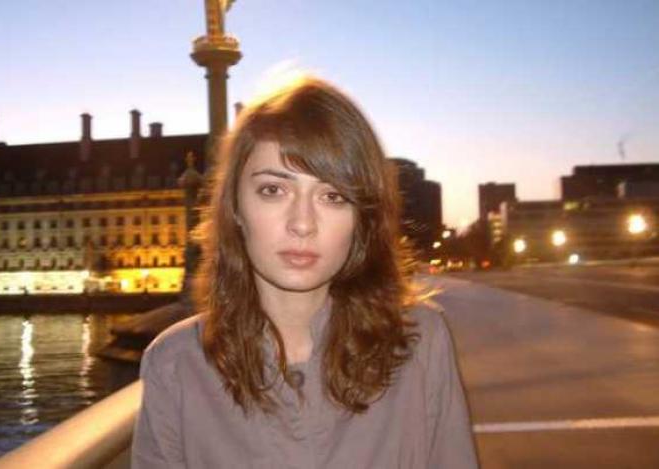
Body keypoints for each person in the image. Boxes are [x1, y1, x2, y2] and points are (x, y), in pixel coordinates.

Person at [132, 76, 478, 468]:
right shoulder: (175, 364)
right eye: (273, 190)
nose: (302, 223)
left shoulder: (420, 342)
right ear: (235, 208)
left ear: (361, 219)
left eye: (332, 196)